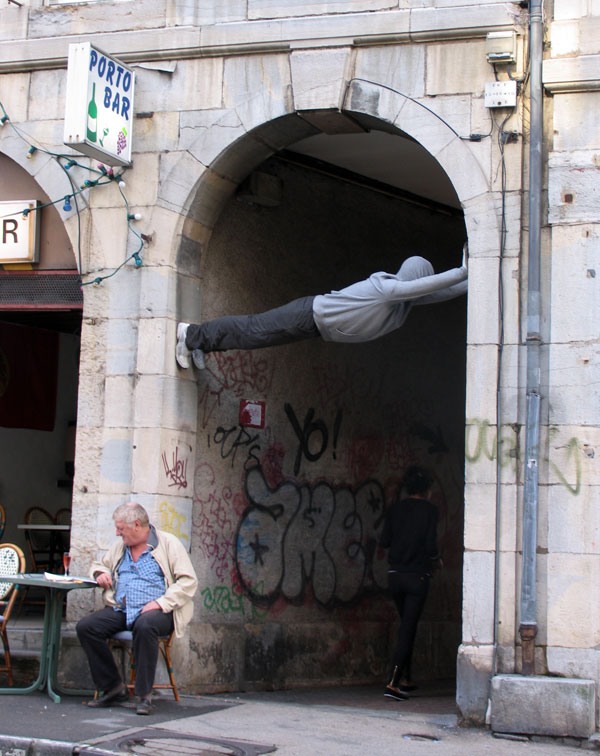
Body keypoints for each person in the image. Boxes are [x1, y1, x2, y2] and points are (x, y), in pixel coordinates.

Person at [176, 247, 468, 369]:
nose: (423, 287)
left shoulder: (403, 303)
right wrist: (462, 271)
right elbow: (426, 288)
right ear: (416, 278)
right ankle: (191, 336)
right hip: (308, 313)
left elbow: (440, 293)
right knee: (254, 330)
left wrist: (475, 278)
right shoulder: (386, 288)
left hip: (315, 326)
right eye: (424, 282)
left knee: (255, 338)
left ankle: (204, 342)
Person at [76, 502, 198, 715]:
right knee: (86, 627)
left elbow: (188, 581)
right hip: (122, 608)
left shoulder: (167, 543)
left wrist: (161, 603)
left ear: (137, 524)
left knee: (145, 625)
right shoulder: (121, 547)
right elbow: (100, 565)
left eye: (121, 529)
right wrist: (100, 574)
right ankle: (113, 687)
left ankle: (144, 696)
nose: (117, 533)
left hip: (160, 610)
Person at [379, 465, 441, 701]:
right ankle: (393, 682)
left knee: (407, 623)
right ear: (426, 489)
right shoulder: (430, 511)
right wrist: (436, 560)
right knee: (408, 627)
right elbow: (430, 545)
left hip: (395, 576)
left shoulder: (395, 510)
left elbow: (385, 541)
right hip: (417, 577)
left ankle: (405, 677)